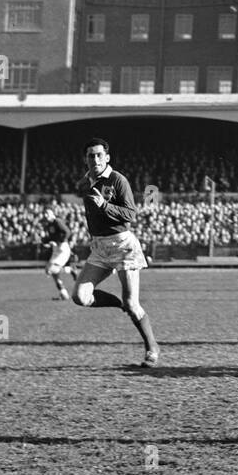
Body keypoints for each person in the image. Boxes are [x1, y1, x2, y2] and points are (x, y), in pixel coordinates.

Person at [71, 138, 160, 368]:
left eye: (100, 155)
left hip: (122, 245)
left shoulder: (118, 180)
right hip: (99, 247)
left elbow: (130, 214)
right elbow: (79, 192)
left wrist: (104, 205)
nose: (96, 159)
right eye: (91, 155)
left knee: (133, 304)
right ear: (85, 159)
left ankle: (152, 348)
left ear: (107, 157)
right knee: (80, 297)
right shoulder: (86, 181)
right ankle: (117, 304)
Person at [41, 207, 77, 300]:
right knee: (52, 273)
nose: (45, 215)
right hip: (56, 248)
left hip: (62, 248)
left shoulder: (57, 221)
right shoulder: (48, 224)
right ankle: (63, 293)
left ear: (52, 214)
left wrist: (58, 241)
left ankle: (70, 269)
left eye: (47, 213)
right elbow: (53, 237)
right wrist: (45, 240)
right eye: (44, 213)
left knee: (50, 270)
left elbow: (67, 232)